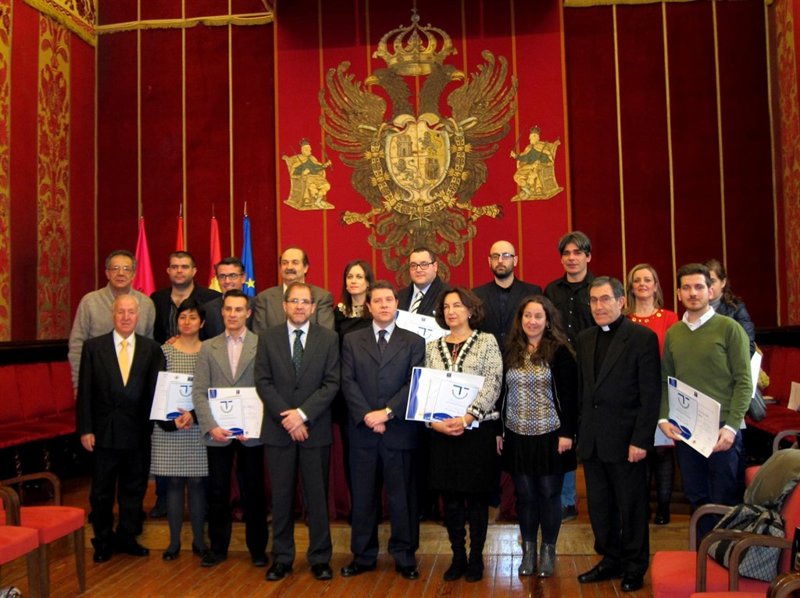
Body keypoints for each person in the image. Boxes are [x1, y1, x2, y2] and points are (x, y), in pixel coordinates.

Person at [575, 277, 660, 593]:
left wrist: (641, 440)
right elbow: (584, 391)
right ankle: (610, 560)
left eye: (605, 299)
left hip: (627, 442)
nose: (598, 306)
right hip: (593, 441)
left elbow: (650, 395)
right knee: (600, 507)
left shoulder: (641, 338)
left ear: (621, 301)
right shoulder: (585, 338)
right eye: (593, 300)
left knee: (631, 507)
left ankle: (635, 566)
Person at [340, 281, 426, 581]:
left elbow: (414, 382)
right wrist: (367, 415)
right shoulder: (352, 340)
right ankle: (363, 556)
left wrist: (386, 413)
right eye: (377, 301)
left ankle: (405, 556)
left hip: (399, 431)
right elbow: (347, 381)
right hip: (363, 432)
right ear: (369, 306)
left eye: (389, 299)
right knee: (363, 498)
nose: (384, 305)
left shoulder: (414, 341)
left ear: (397, 304)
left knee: (402, 498)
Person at [659, 263, 751, 539]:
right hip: (688, 430)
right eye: (686, 287)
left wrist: (731, 427)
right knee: (696, 497)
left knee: (724, 499)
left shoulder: (729, 328)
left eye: (699, 287)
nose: (693, 293)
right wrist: (663, 418)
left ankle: (727, 558)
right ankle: (702, 557)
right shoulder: (674, 333)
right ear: (678, 293)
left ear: (711, 291)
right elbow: (666, 380)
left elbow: (744, 382)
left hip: (723, 430)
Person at [255, 282, 340, 582]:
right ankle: (282, 558)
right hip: (279, 431)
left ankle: (320, 558)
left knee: (317, 498)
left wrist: (302, 415)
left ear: (313, 307)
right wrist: (288, 418)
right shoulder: (268, 337)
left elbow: (331, 383)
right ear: (285, 305)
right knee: (281, 498)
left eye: (305, 302)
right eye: (294, 301)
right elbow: (263, 381)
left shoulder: (328, 338)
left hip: (314, 430)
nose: (300, 306)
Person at [76, 294, 164, 563]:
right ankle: (102, 540)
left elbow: (157, 392)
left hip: (138, 431)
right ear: (113, 315)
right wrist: (86, 429)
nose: (126, 317)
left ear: (138, 316)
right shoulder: (94, 347)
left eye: (131, 312)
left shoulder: (151, 349)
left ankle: (127, 536)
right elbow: (85, 392)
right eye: (121, 312)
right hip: (103, 432)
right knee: (101, 491)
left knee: (134, 488)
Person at [425, 287, 503, 583]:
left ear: (470, 310)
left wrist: (468, 416)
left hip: (477, 432)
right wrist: (435, 423)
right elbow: (427, 388)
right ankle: (457, 556)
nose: (451, 311)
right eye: (446, 307)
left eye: (457, 305)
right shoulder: (432, 347)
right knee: (451, 499)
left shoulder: (486, 341)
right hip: (442, 433)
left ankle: (476, 558)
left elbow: (493, 383)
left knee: (477, 498)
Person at [499, 295, 577, 577]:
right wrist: (499, 431)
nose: (532, 321)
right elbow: (501, 393)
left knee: (548, 493)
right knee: (525, 495)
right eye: (527, 316)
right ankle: (528, 552)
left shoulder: (560, 352)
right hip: (517, 434)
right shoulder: (511, 351)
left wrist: (567, 433)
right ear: (520, 320)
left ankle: (548, 551)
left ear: (548, 321)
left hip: (551, 434)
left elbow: (570, 396)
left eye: (538, 316)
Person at [192, 290, 268, 569]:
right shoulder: (207, 347)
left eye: (239, 310)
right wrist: (211, 426)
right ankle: (217, 548)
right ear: (222, 312)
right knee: (217, 491)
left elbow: (267, 388)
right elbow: (199, 392)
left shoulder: (262, 345)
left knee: (254, 491)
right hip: (218, 433)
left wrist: (256, 424)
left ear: (248, 313)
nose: (233, 314)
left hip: (251, 433)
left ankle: (258, 549)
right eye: (229, 309)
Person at [150, 298, 209, 561]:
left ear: (202, 323)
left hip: (198, 426)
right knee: (173, 483)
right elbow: (156, 390)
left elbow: (211, 389)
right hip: (169, 428)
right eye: (182, 317)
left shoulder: (209, 351)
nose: (187, 322)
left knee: (197, 483)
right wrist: (171, 421)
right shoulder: (163, 351)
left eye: (193, 317)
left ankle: (199, 541)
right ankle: (174, 542)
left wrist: (194, 416)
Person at [544, 231, 595, 521]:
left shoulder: (599, 288)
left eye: (577, 253)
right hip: (561, 369)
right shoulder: (551, 291)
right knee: (563, 432)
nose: (572, 258)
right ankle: (566, 501)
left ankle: (598, 498)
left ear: (588, 256)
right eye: (566, 253)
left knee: (591, 432)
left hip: (594, 369)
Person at [625, 263, 679, 525]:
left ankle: (664, 507)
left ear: (656, 285)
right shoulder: (624, 319)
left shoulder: (670, 318)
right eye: (637, 280)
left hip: (663, 389)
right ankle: (643, 505)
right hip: (633, 393)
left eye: (648, 280)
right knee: (640, 450)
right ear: (631, 286)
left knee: (662, 451)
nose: (642, 284)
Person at [68, 249, 156, 389]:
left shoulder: (146, 304)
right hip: (98, 382)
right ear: (107, 273)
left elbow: (149, 347)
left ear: (133, 274)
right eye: (115, 268)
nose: (120, 273)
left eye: (126, 269)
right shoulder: (90, 302)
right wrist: (79, 385)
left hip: (135, 384)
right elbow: (77, 346)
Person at [333, 259, 375, 505]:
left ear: (368, 282)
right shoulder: (337, 314)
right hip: (347, 394)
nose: (354, 281)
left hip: (375, 391)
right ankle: (358, 507)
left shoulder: (377, 313)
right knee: (352, 452)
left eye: (359, 276)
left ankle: (375, 507)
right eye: (350, 276)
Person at [473, 240, 542, 349]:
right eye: (495, 256)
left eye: (506, 256)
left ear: (515, 261)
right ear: (489, 261)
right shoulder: (477, 295)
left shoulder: (532, 292)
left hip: (522, 355)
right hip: (487, 356)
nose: (500, 261)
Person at [253, 247, 334, 333]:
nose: (289, 267)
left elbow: (325, 335)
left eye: (295, 262)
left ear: (306, 268)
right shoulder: (264, 298)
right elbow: (260, 336)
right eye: (284, 263)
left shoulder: (321, 297)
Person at [150, 251, 221, 344]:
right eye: (174, 267)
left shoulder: (211, 298)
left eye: (184, 267)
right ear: (168, 271)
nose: (179, 271)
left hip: (202, 352)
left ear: (194, 271)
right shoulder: (157, 299)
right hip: (164, 352)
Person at [705, 258, 756, 356]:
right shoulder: (696, 310)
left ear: (723, 282)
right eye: (705, 281)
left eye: (712, 281)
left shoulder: (736, 308)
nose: (708, 286)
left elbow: (748, 346)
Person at [203, 257, 254, 338]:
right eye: (222, 276)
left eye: (233, 276)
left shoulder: (256, 305)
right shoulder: (207, 309)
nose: (227, 281)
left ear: (243, 278)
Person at [397, 247, 444, 316]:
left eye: (424, 264)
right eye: (413, 265)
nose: (418, 270)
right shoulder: (399, 297)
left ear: (435, 266)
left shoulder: (446, 296)